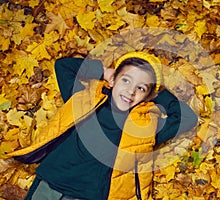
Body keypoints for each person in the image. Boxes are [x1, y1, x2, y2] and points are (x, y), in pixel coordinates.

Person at [4, 51, 198, 199]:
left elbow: (187, 118)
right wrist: (104, 72)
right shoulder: (85, 99)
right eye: (126, 80)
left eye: (140, 88)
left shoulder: (144, 126)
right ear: (113, 80)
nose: (130, 91)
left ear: (148, 96)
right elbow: (64, 66)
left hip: (89, 195)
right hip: (51, 181)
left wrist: (158, 94)